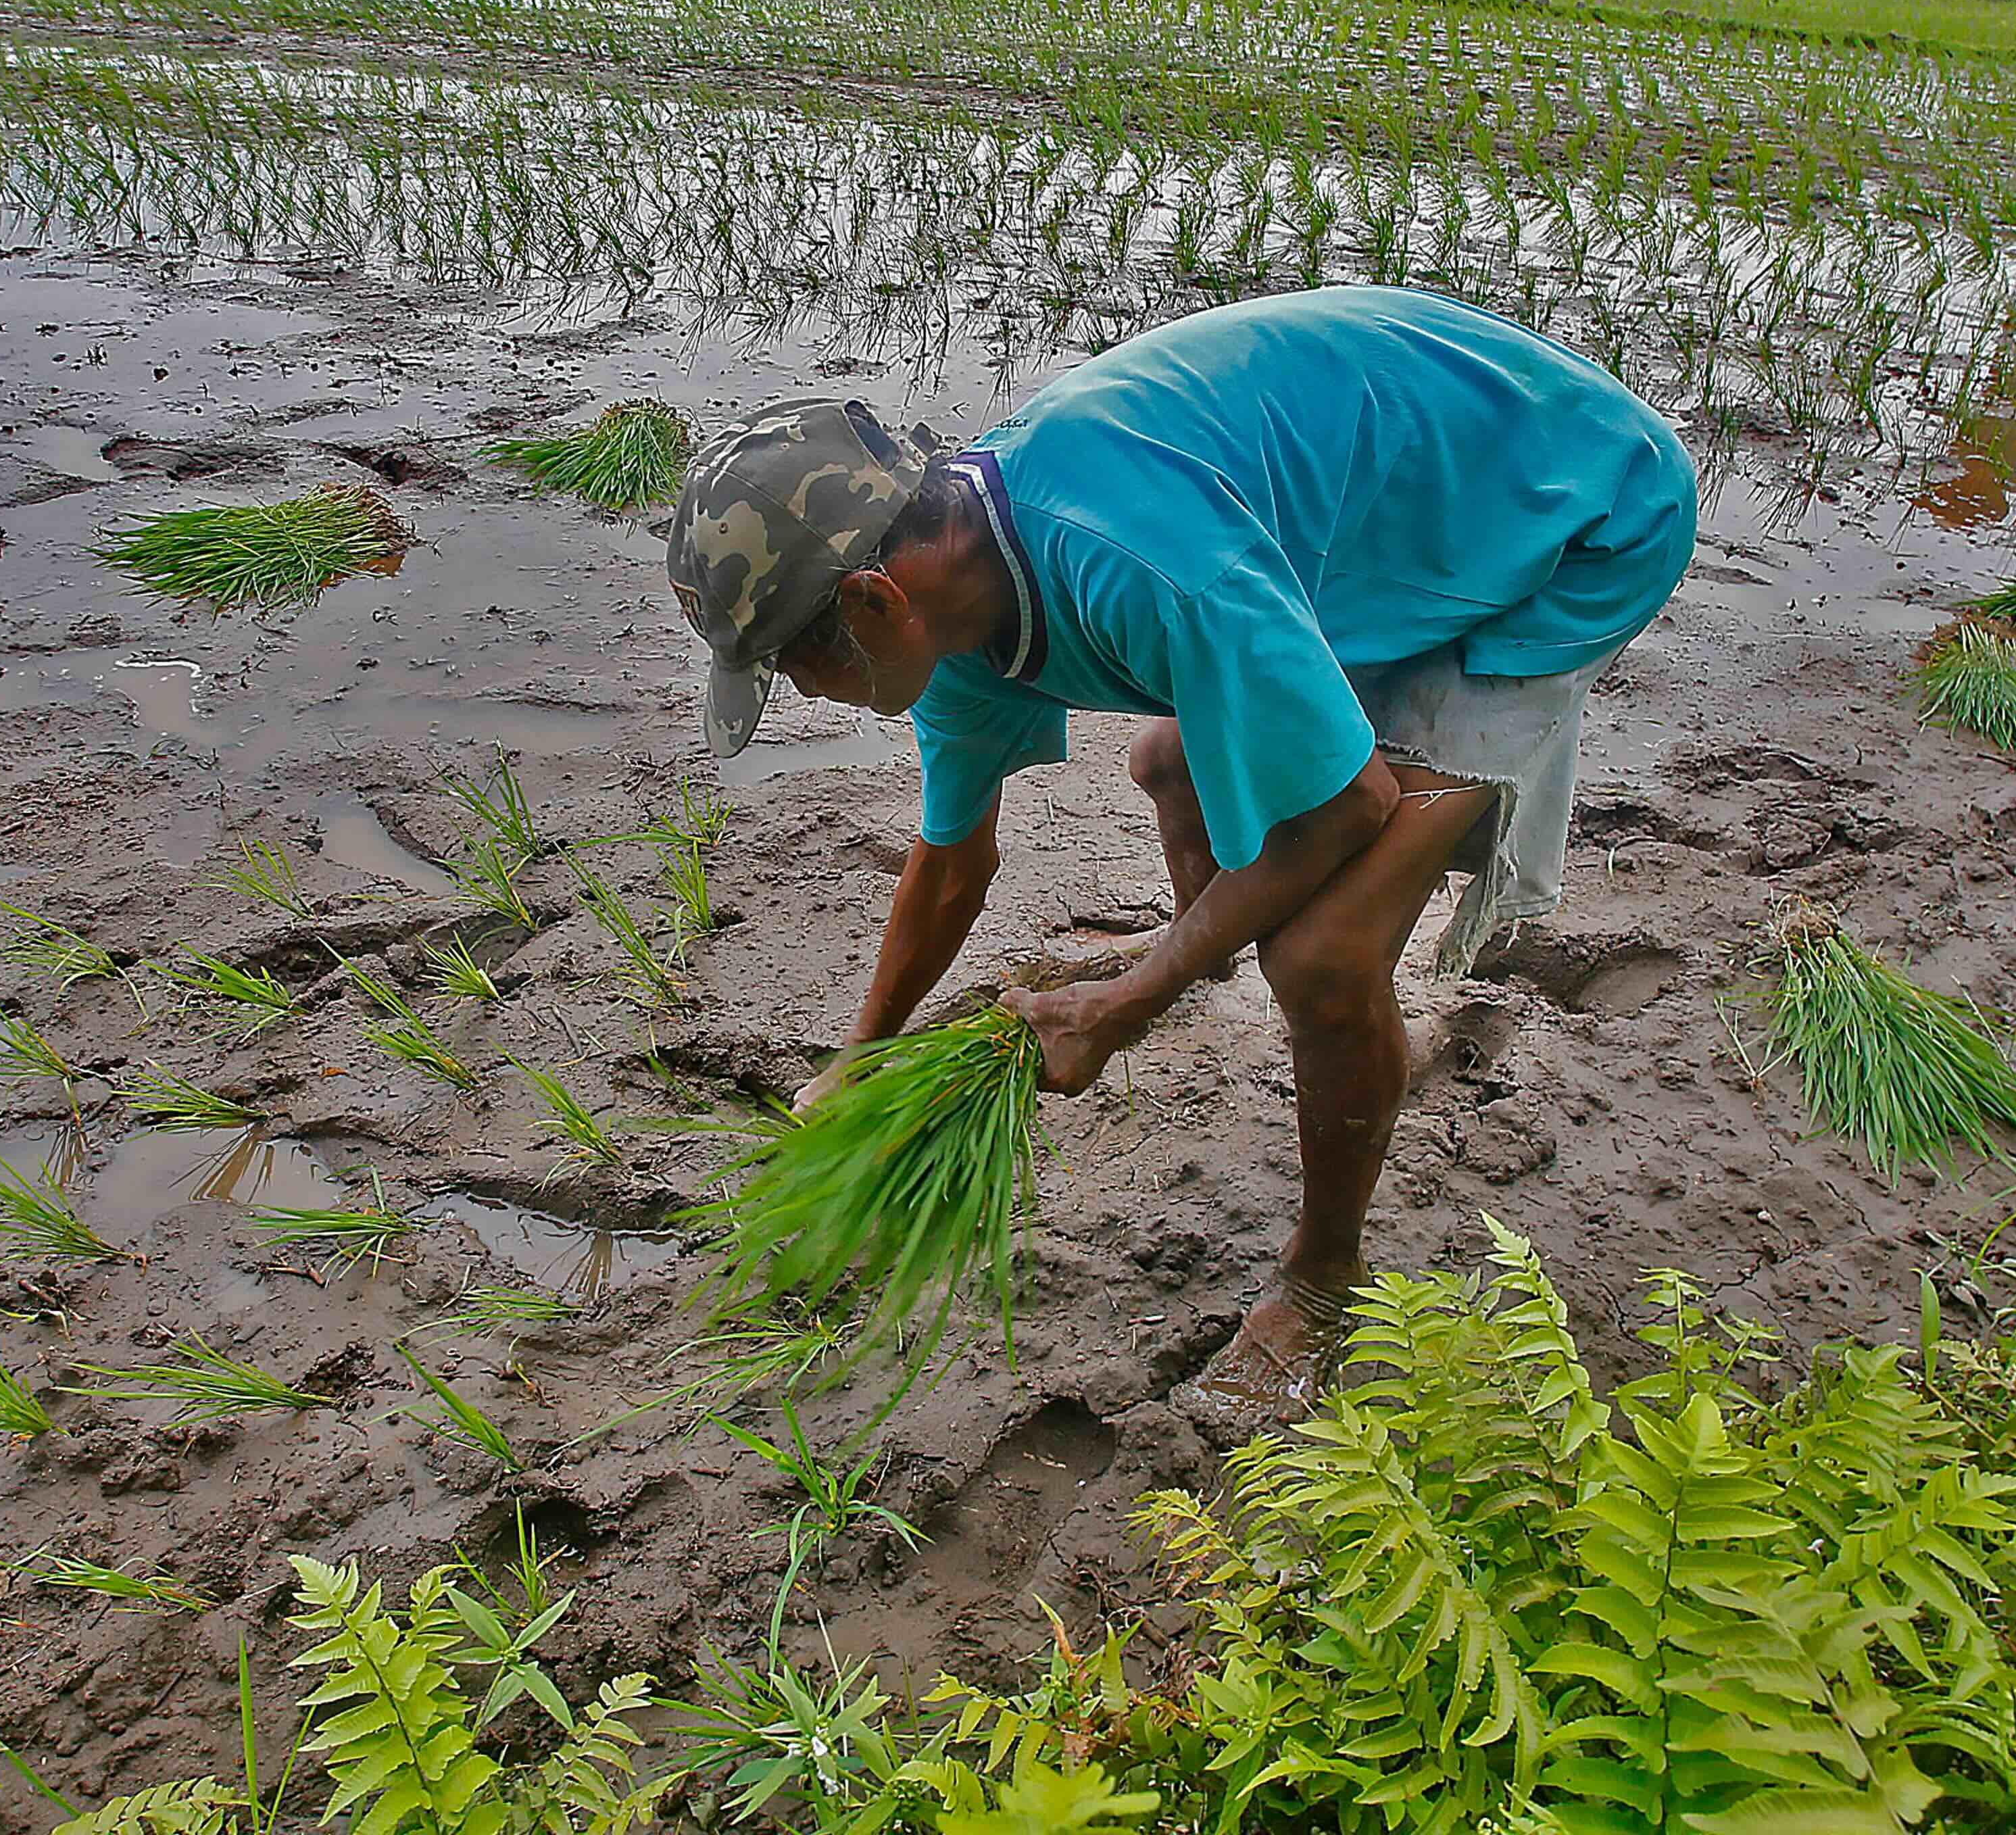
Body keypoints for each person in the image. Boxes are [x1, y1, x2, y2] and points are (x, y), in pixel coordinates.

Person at [664, 287, 1697, 1406]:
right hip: (1397, 508)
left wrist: (1130, 999)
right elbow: (952, 858)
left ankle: (1323, 1281)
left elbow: (1345, 803)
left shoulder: (1132, 559)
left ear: (871, 601)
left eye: (795, 668)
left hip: (1569, 512)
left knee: (1323, 958)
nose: (807, 696)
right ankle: (1222, 955)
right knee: (1168, 766)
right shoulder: (946, 602)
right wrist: (855, 1057)